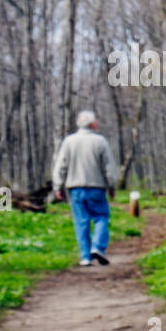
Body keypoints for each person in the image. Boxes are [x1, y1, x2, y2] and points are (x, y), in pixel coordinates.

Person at [51, 110, 118, 267]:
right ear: (92, 123)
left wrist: (57, 186)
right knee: (101, 217)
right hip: (96, 187)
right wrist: (112, 186)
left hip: (75, 188)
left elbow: (61, 165)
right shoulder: (100, 141)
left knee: (81, 222)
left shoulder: (69, 141)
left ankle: (85, 256)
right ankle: (98, 247)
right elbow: (108, 167)